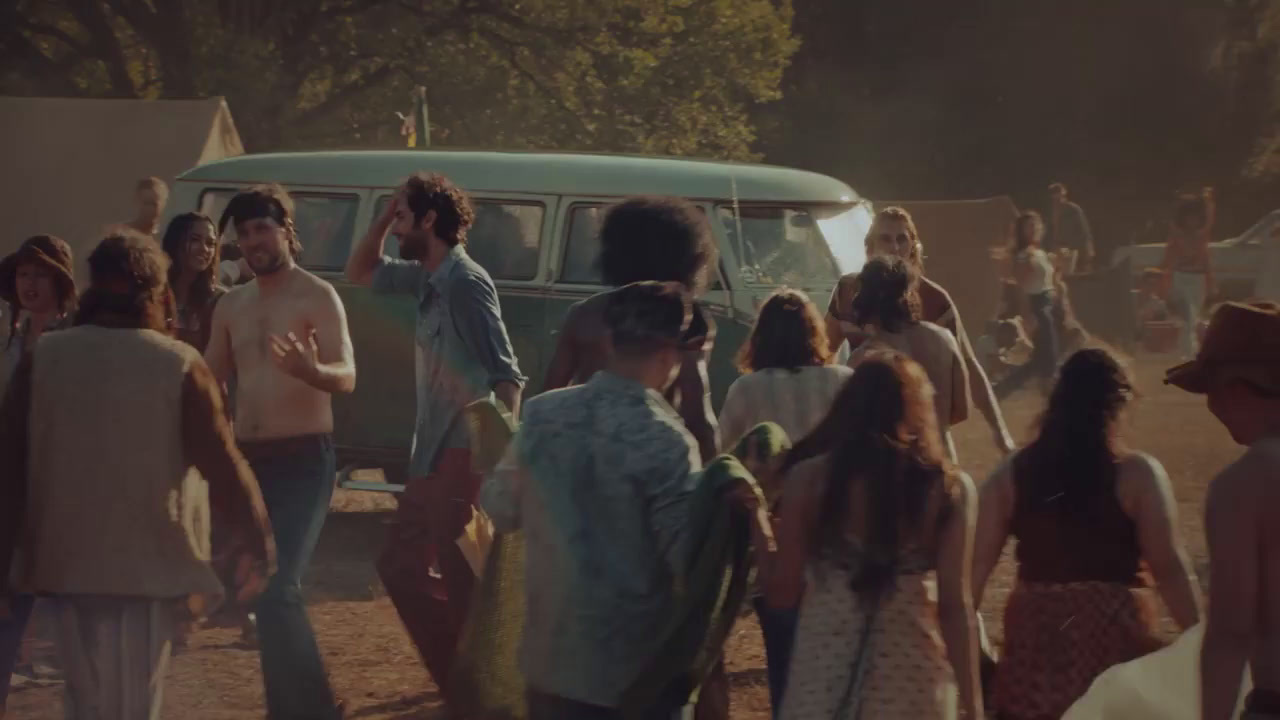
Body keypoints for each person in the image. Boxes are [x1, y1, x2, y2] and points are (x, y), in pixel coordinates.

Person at [0, 231, 274, 720]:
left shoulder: (45, 359)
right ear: (154, 293)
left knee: (87, 702)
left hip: (68, 565)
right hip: (145, 569)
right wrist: (257, 542)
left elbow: (10, 471)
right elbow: (223, 466)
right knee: (127, 707)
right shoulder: (177, 365)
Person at [478, 281, 765, 720]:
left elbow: (500, 508)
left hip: (547, 663)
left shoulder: (544, 414)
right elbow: (683, 559)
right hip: (632, 676)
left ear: (610, 341)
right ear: (671, 356)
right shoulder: (665, 440)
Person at [345, 173, 525, 708]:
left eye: (403, 219)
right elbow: (359, 271)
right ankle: (465, 681)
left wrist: (495, 460)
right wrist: (383, 214)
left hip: (461, 448)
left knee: (460, 571)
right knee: (400, 566)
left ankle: (483, 691)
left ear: (429, 220)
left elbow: (508, 376)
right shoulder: (426, 278)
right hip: (429, 451)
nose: (396, 230)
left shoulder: (467, 282)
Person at [974, 347, 1203, 720]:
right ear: (1119, 404)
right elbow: (1171, 569)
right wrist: (1200, 640)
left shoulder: (1010, 476)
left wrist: (980, 659)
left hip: (1037, 650)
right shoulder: (1138, 475)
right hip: (1115, 644)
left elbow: (970, 582)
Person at [759, 351, 982, 720]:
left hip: (825, 675)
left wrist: (757, 522)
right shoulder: (948, 490)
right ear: (917, 408)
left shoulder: (809, 480)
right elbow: (955, 607)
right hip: (911, 675)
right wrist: (973, 707)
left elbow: (782, 595)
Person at [205, 184, 355, 720]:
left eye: (262, 228)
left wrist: (311, 371)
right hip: (248, 460)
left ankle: (314, 709)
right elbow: (210, 379)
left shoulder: (317, 295)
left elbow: (347, 373)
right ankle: (290, 708)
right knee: (259, 591)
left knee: (281, 585)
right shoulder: (231, 305)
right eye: (243, 234)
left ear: (287, 230)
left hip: (303, 460)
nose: (253, 241)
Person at [717, 287, 852, 715]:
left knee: (784, 665)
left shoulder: (746, 390)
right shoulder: (844, 382)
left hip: (773, 549)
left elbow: (725, 459)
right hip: (838, 545)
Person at [1163, 301, 1280, 720]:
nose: (1212, 406)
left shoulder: (1246, 485)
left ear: (1236, 387)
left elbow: (1230, 631)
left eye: (1211, 389)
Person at [543, 196, 720, 463]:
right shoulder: (686, 320)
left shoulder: (584, 315)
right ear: (686, 254)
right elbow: (698, 417)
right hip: (653, 455)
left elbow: (550, 395)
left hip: (584, 453)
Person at [825, 206, 1014, 455]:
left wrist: (1001, 433)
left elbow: (969, 368)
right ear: (870, 245)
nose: (894, 247)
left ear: (913, 245)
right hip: (872, 443)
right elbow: (823, 355)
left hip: (928, 441)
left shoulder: (935, 300)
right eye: (886, 238)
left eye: (902, 239)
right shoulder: (848, 291)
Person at [0, 234, 76, 711]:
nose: (30, 283)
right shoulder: (10, 339)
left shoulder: (75, 342)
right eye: (24, 274)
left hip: (58, 488)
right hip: (9, 486)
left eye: (40, 274)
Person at [846, 255, 970, 462]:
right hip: (941, 462)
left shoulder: (863, 359)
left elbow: (853, 426)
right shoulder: (945, 339)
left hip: (893, 471)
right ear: (908, 293)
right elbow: (962, 410)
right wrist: (931, 426)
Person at [995, 211, 1060, 398]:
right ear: (1021, 231)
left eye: (1036, 225)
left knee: (1041, 356)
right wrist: (1028, 314)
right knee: (1049, 352)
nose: (1033, 229)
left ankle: (1002, 389)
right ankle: (1048, 389)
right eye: (1029, 226)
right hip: (1037, 305)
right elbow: (1021, 286)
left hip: (1048, 302)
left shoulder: (1040, 252)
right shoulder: (1024, 255)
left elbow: (1050, 280)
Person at [161, 212, 228, 353]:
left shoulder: (219, 300)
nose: (204, 249)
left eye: (210, 244)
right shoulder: (153, 293)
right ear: (176, 242)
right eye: (195, 240)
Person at [1162, 189, 1216, 359]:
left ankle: (1192, 351)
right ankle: (1188, 353)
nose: (1191, 220)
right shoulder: (1176, 236)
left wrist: (1208, 202)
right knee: (1187, 316)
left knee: (1194, 318)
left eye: (1195, 217)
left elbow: (1210, 223)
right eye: (1188, 217)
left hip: (1198, 279)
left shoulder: (1202, 237)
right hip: (1181, 277)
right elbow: (1169, 259)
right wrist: (1165, 280)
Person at [1046, 182, 1096, 271]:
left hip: (1072, 249)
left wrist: (1088, 250)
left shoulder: (1073, 209)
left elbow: (1085, 231)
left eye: (1058, 194)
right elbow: (1051, 232)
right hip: (1057, 249)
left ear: (1063, 194)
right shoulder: (1051, 212)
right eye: (1054, 194)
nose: (1056, 198)